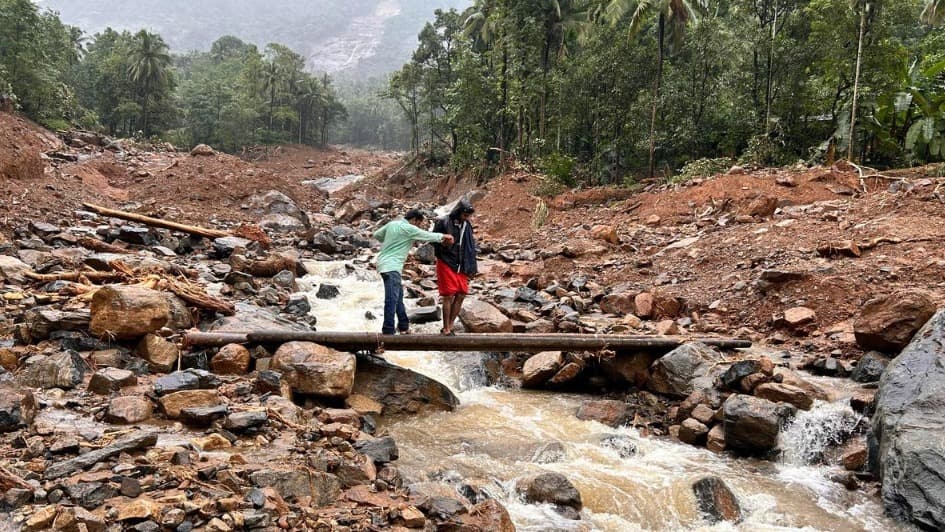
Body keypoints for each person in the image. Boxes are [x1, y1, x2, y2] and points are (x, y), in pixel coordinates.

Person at [373, 209, 454, 335]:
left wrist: (391, 240)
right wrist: (444, 236)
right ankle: (388, 331)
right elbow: (426, 235)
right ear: (414, 220)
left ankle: (403, 326)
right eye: (419, 224)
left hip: (384, 264)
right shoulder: (409, 228)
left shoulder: (392, 224)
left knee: (398, 297)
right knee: (392, 299)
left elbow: (377, 235)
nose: (418, 226)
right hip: (392, 266)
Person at [433, 199, 478, 335]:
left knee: (462, 294)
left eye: (468, 216)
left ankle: (451, 325)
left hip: (461, 263)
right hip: (446, 261)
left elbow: (470, 246)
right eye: (465, 215)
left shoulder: (467, 225)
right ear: (458, 212)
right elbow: (432, 239)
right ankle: (446, 328)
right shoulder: (443, 222)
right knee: (448, 295)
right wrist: (443, 243)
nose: (467, 218)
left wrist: (471, 267)